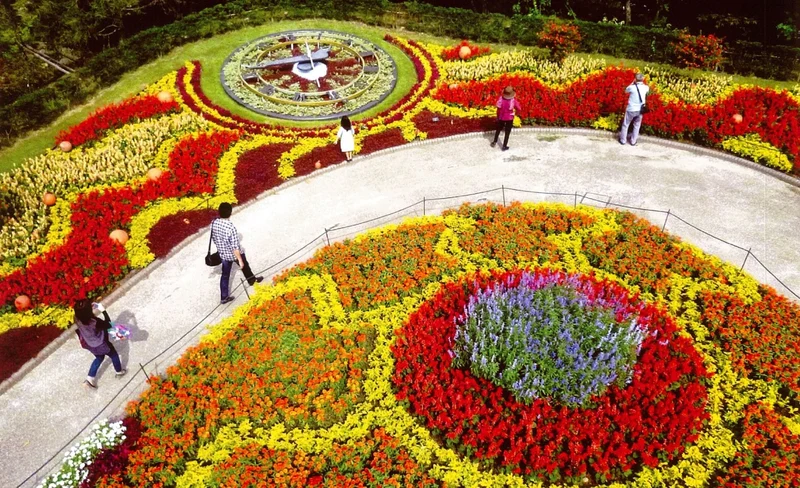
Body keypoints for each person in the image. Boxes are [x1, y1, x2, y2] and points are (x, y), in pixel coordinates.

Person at [211, 202, 263, 304]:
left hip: (223, 253)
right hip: (232, 254)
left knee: (225, 275)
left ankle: (224, 297)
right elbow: (235, 247)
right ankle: (251, 280)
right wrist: (240, 260)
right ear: (230, 213)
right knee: (245, 265)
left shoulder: (214, 223)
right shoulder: (231, 228)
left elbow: (214, 238)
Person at [74, 299, 126, 388]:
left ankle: (89, 378)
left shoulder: (76, 318)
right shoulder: (95, 322)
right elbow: (109, 324)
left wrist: (87, 310)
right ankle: (119, 371)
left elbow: (83, 314)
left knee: (99, 358)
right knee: (113, 355)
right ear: (88, 311)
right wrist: (103, 310)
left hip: (89, 344)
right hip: (101, 343)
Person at [619, 73, 650, 146]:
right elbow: (647, 91)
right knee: (637, 125)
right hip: (640, 110)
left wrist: (633, 82)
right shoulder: (646, 87)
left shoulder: (631, 87)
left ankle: (623, 140)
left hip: (631, 109)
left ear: (635, 79)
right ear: (643, 79)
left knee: (626, 124)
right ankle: (633, 141)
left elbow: (626, 90)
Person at [491, 86, 522, 151]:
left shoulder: (501, 99)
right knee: (507, 132)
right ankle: (504, 146)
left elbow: (498, 109)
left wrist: (498, 117)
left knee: (498, 129)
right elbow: (519, 108)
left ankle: (494, 142)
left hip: (501, 117)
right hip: (509, 118)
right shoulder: (513, 101)